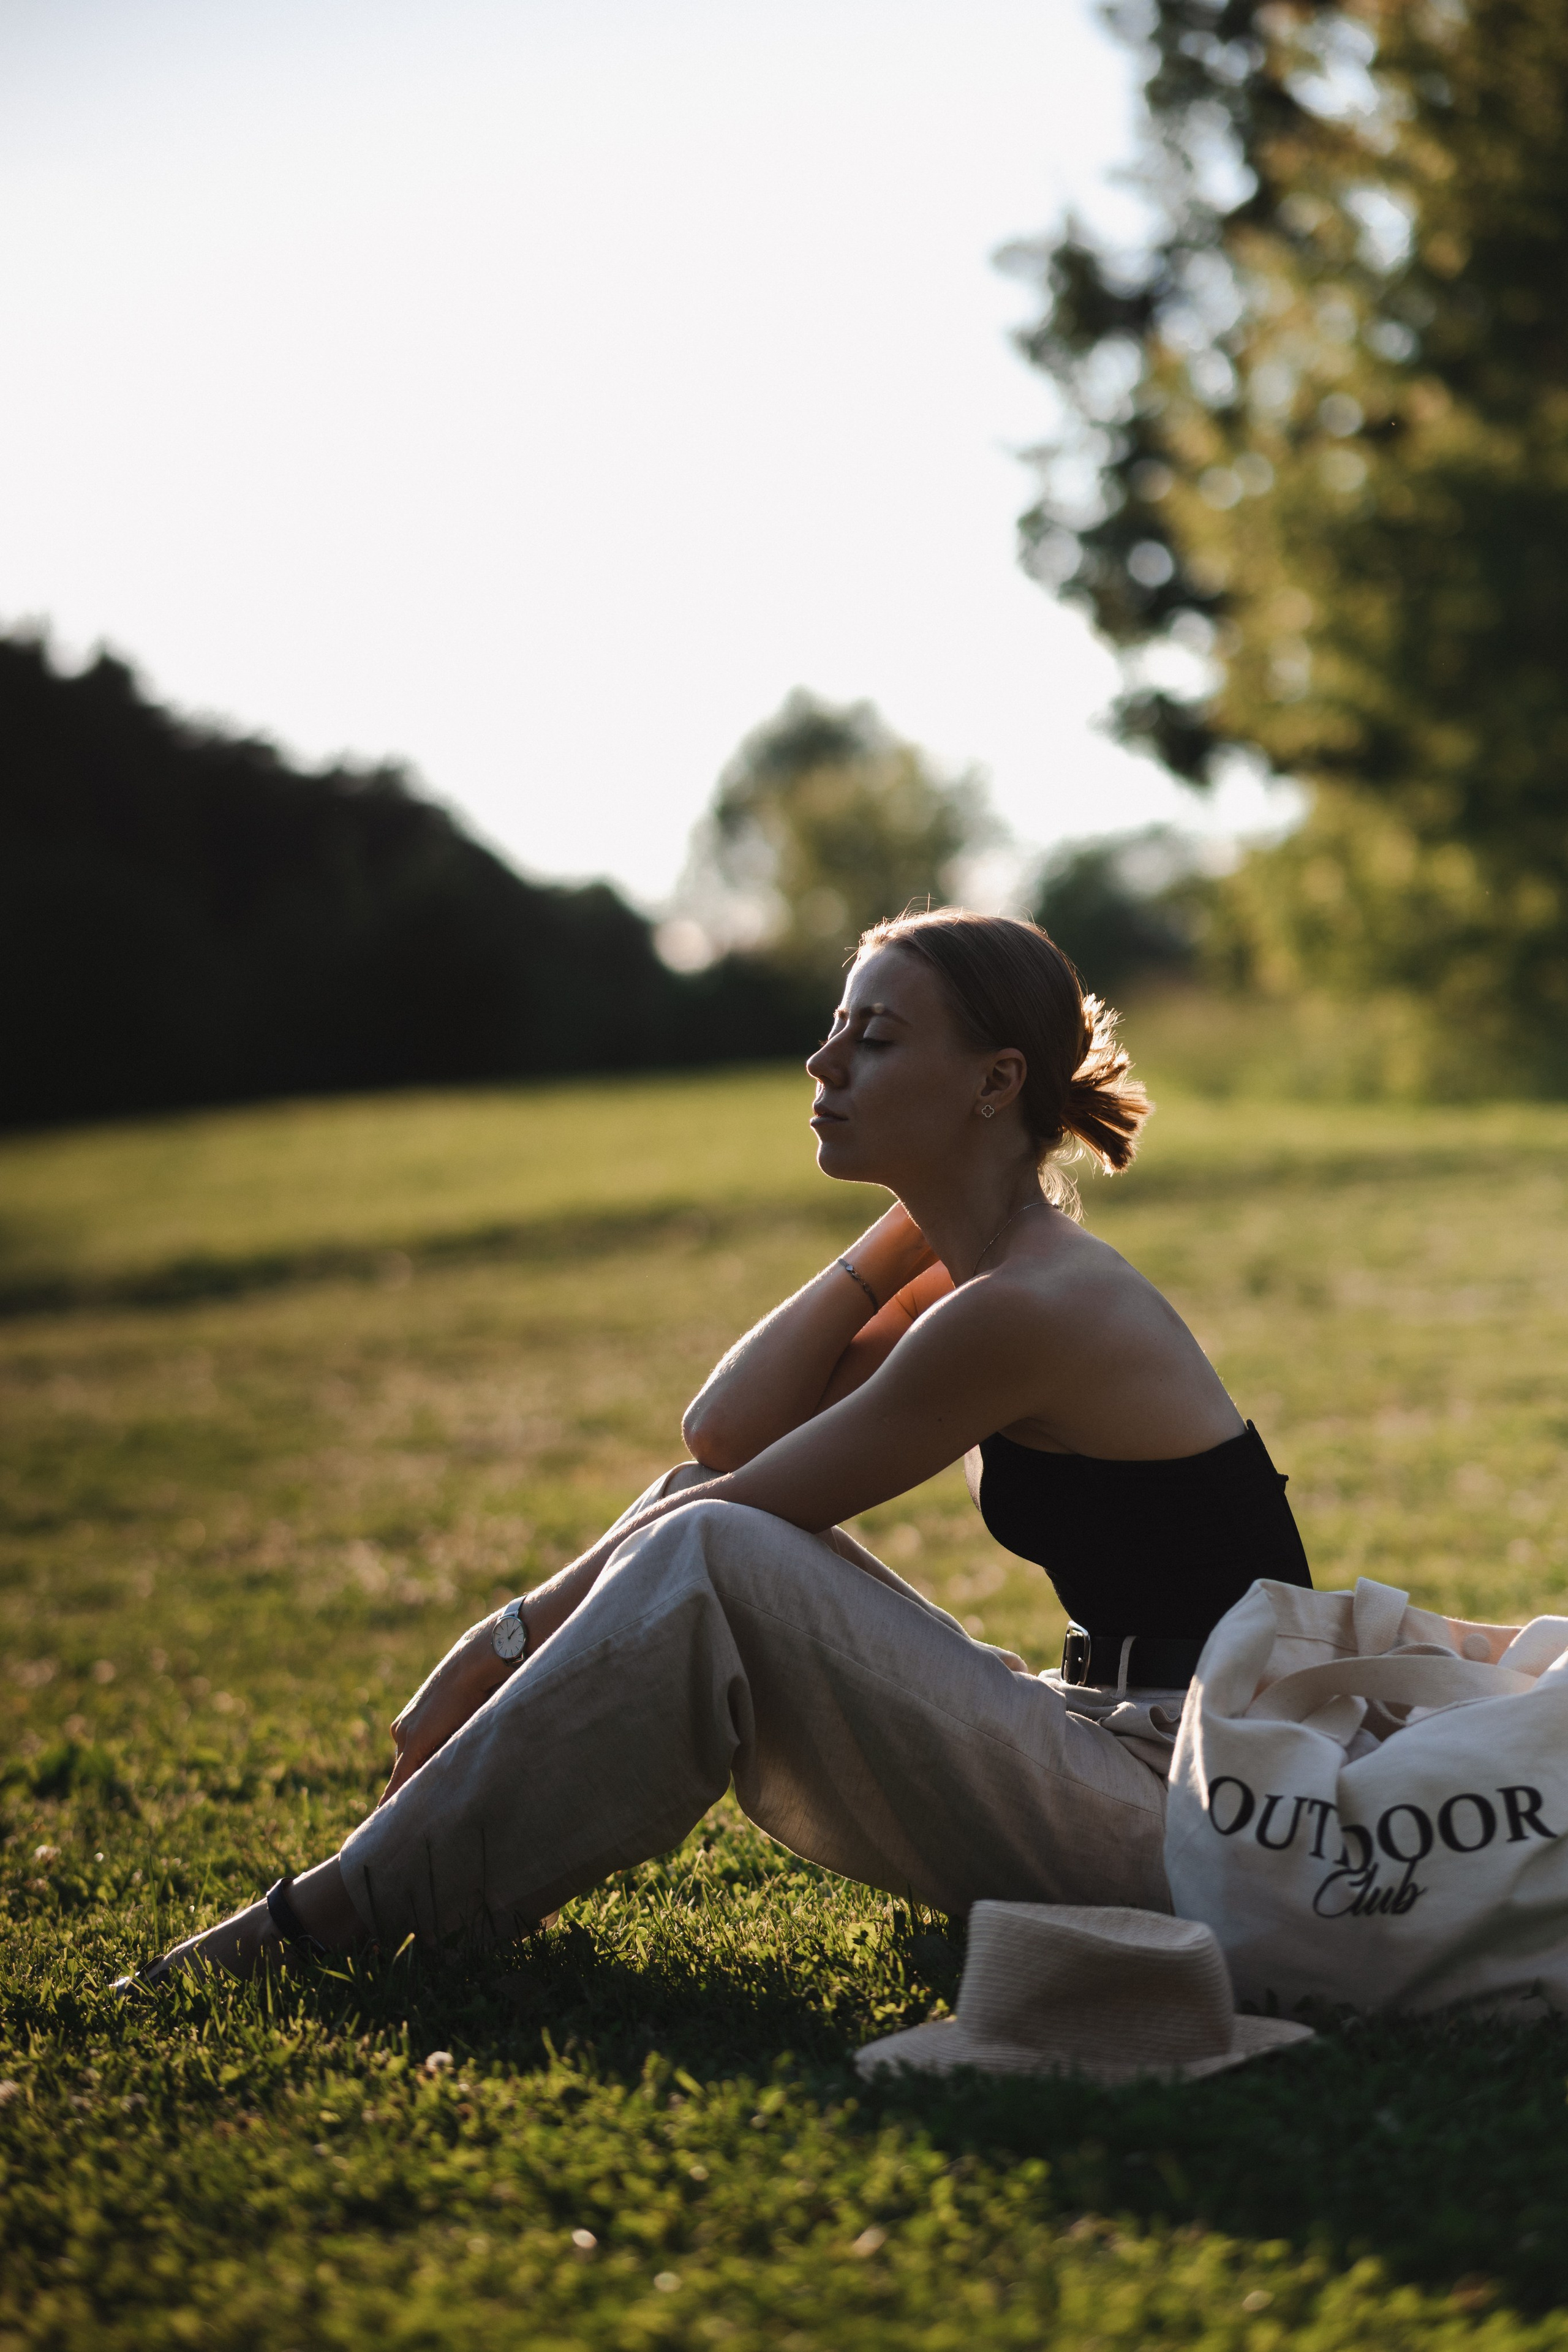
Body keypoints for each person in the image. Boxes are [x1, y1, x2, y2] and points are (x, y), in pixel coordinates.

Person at [117, 908, 1311, 1987]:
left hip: (1199, 1817)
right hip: (1123, 1742)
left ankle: (341, 1915)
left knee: (723, 1548)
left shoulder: (1030, 1307)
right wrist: (911, 1222)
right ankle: (376, 1893)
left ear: (993, 1081)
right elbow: (723, 1433)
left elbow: (730, 1525)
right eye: (836, 1028)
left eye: (876, 1041)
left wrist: (497, 1643)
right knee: (704, 1508)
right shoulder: (986, 1275)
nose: (822, 1063)